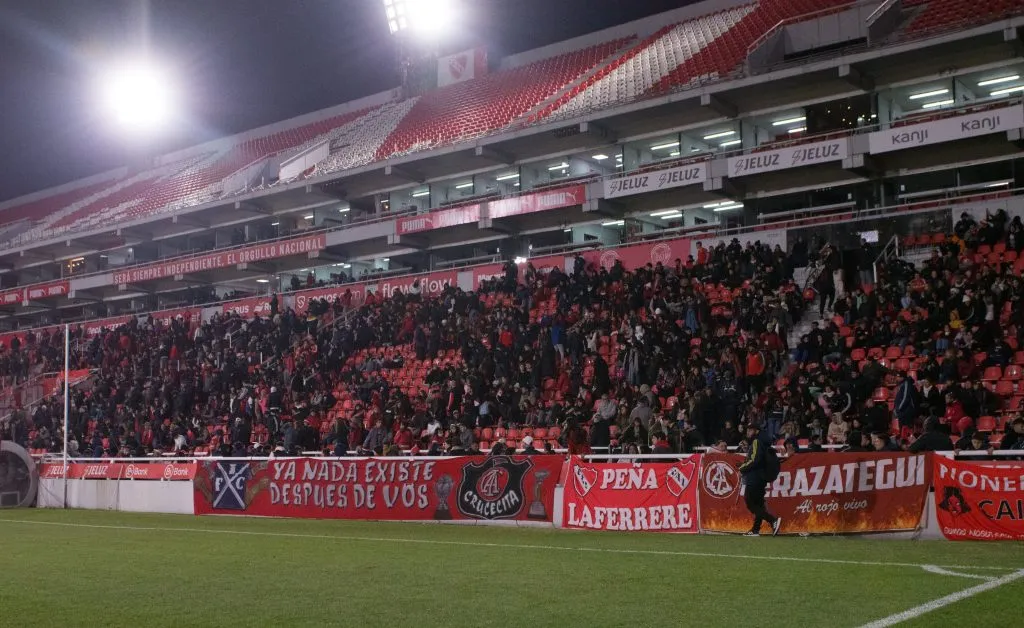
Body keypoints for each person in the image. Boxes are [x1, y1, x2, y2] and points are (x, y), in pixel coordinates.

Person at [738, 423, 782, 537]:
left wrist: (742, 468)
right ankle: (755, 529)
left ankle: (772, 520)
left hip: (755, 477)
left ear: (756, 431)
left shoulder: (757, 441)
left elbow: (754, 460)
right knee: (759, 504)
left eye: (750, 430)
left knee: (750, 502)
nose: (747, 432)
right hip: (761, 477)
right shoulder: (763, 441)